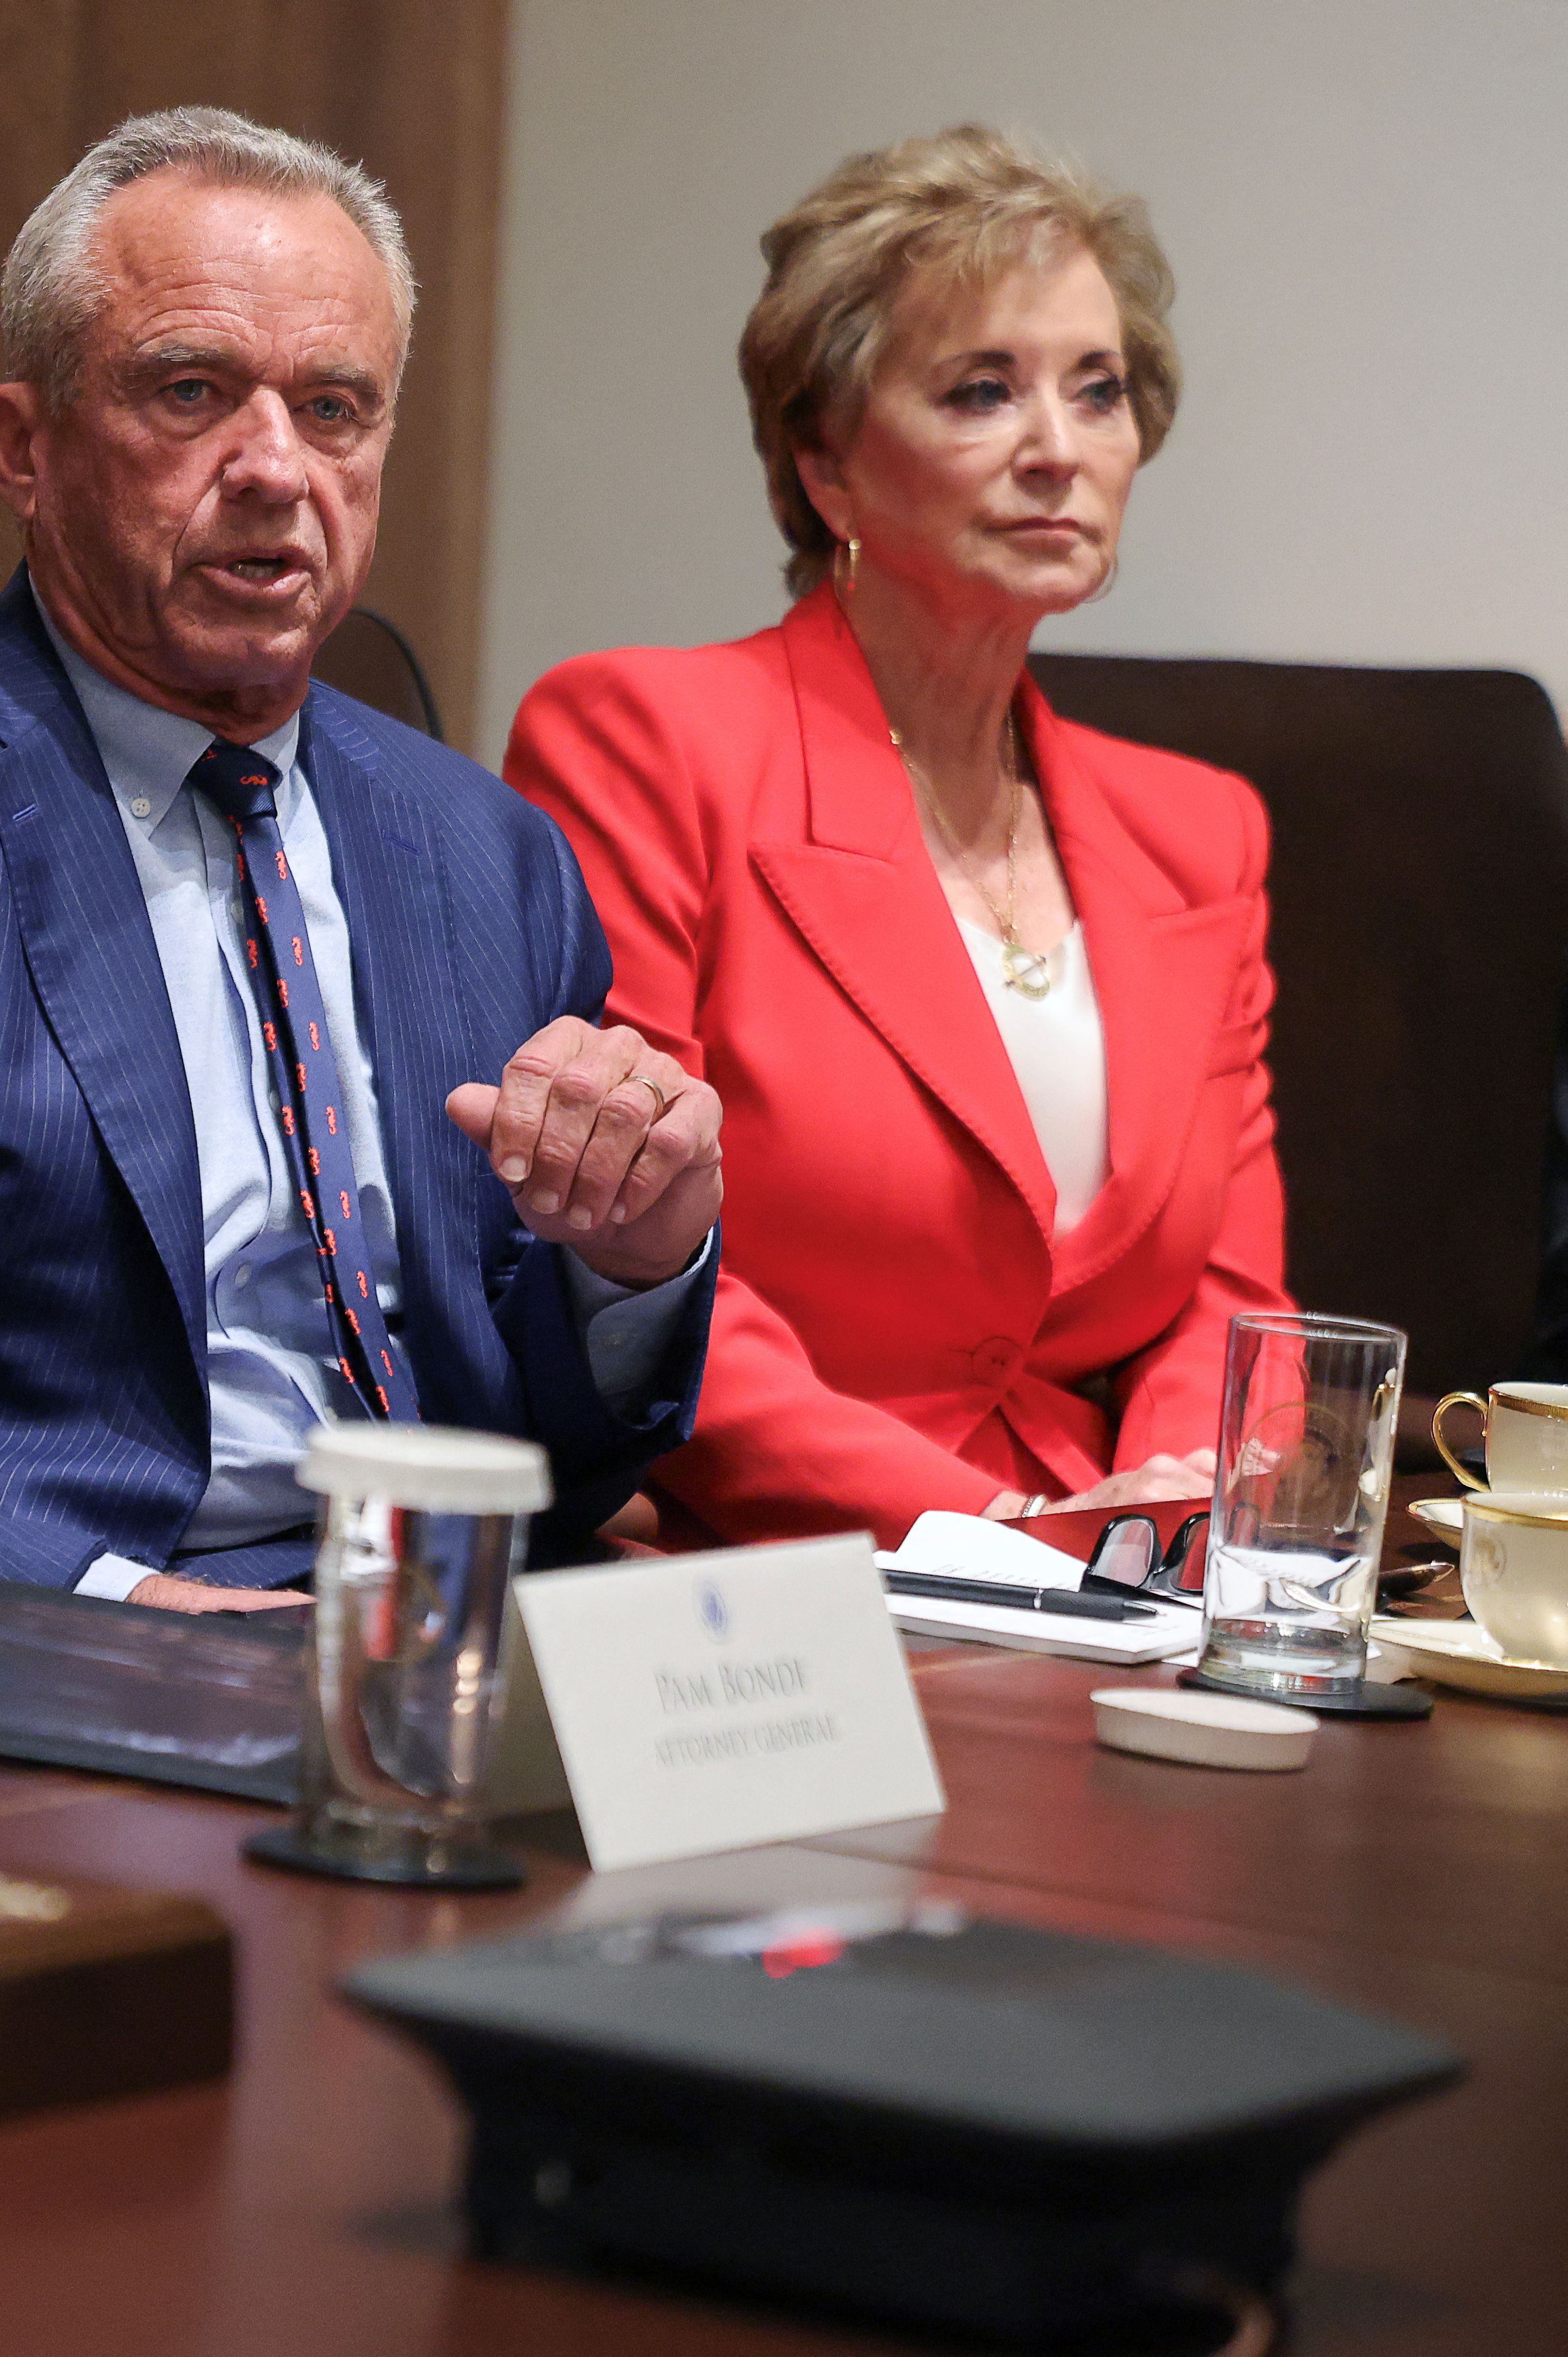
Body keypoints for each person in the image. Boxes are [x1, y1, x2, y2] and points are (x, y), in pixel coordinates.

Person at [0, 109, 721, 1603]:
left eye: (336, 409)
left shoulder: (484, 850)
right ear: (22, 448)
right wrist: (121, 1612)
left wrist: (632, 1267)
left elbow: (552, 1454)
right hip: (27, 1645)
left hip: (431, 1645)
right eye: (192, 391)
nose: (277, 467)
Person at [502, 128, 1286, 1546]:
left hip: (1129, 1574)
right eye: (983, 391)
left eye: (1097, 391)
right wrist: (987, 1532)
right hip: (772, 1563)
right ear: (827, 466)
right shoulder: (646, 739)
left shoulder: (1201, 831)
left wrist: (1162, 1517)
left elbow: (1231, 1298)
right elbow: (633, 1243)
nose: (1060, 448)